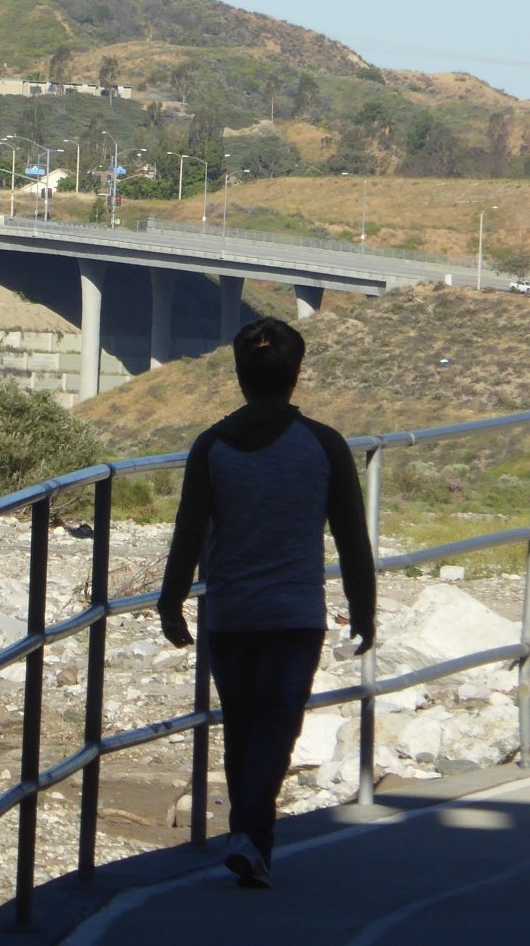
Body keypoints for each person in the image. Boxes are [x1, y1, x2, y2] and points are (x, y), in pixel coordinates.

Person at [156, 316, 376, 889]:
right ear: (296, 374)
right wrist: (364, 606)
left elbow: (189, 530)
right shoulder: (324, 445)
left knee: (242, 727)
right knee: (277, 727)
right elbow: (352, 536)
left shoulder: (212, 446)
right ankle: (252, 835)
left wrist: (171, 600)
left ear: (238, 375)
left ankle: (249, 840)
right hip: (295, 615)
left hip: (228, 615)